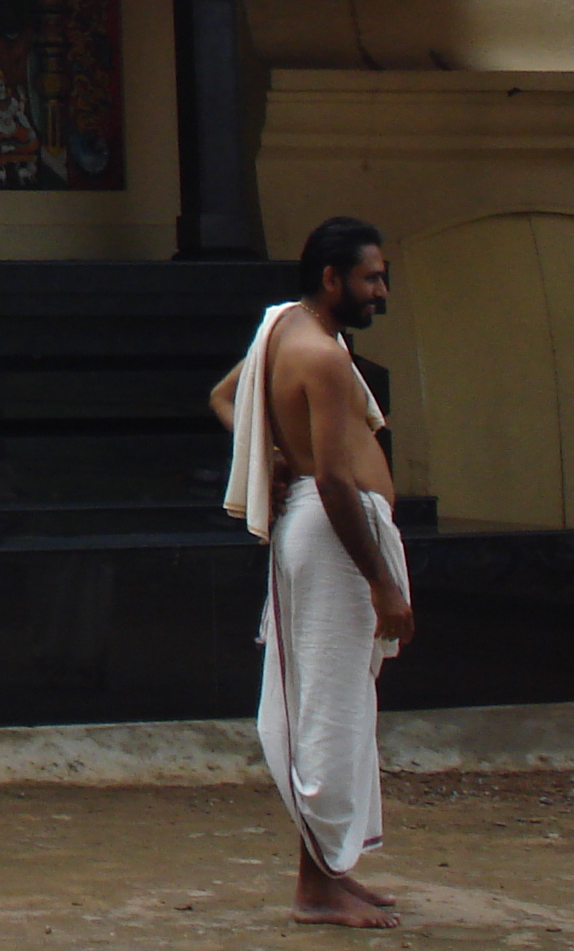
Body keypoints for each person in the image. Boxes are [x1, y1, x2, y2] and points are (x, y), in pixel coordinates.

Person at [209, 217, 414, 929]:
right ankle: (317, 889)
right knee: (327, 713)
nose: (380, 291)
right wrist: (384, 581)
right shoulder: (317, 355)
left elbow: (225, 398)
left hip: (329, 533)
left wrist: (266, 453)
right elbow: (331, 479)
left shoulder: (286, 329)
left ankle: (332, 873)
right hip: (332, 538)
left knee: (342, 708)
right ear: (332, 279)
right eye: (370, 278)